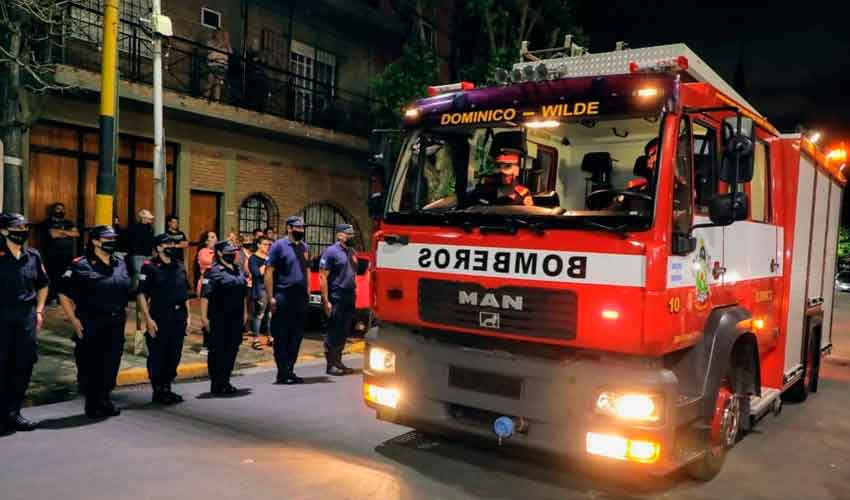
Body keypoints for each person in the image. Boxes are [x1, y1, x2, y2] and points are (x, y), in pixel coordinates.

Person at [58, 225, 131, 419]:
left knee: (111, 361)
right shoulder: (80, 264)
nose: (112, 242)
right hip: (91, 320)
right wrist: (73, 320)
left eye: (114, 238)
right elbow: (63, 293)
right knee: (91, 362)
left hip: (116, 321)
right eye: (107, 238)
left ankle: (105, 398)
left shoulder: (120, 262)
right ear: (96, 241)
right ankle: (92, 403)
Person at [0, 213, 49, 434]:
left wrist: (38, 310)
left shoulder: (33, 256)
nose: (22, 230)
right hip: (2, 317)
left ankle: (14, 413)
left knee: (24, 364)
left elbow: (43, 284)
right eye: (16, 227)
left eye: (24, 226)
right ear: (3, 231)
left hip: (26, 317)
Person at [137, 234, 190, 405]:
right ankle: (158, 390)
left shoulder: (180, 266)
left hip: (179, 315)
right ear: (159, 247)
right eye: (168, 243)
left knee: (174, 353)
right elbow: (141, 294)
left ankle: (167, 387)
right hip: (160, 314)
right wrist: (147, 319)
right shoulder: (149, 267)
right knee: (158, 353)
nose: (172, 246)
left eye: (174, 243)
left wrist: (188, 316)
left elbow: (185, 293)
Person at [265, 216, 310, 384]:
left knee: (296, 336)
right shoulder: (278, 246)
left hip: (300, 298)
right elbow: (268, 272)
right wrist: (271, 298)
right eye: (298, 228)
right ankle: (282, 371)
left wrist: (307, 292)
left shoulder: (305, 247)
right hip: (283, 296)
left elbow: (306, 271)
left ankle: (290, 369)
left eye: (302, 228)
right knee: (282, 335)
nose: (301, 231)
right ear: (289, 228)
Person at [199, 240, 247, 395]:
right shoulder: (212, 271)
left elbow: (243, 294)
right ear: (220, 253)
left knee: (232, 349)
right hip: (219, 317)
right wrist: (204, 318)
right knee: (217, 351)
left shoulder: (238, 270)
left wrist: (245, 313)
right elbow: (205, 296)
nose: (233, 254)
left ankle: (225, 381)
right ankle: (216, 383)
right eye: (229, 251)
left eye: (234, 251)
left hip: (236, 317)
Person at [319, 223, 357, 376]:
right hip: (336, 295)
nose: (351, 236)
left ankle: (338, 361)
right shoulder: (331, 252)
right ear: (340, 235)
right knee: (333, 330)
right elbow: (323, 276)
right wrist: (325, 300)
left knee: (344, 330)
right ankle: (331, 364)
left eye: (352, 234)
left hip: (349, 295)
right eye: (348, 234)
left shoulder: (352, 252)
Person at [42, 202, 79, 305]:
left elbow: (76, 233)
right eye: (58, 209)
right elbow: (53, 234)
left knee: (66, 276)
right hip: (52, 255)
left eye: (62, 209)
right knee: (53, 276)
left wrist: (61, 232)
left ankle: (62, 299)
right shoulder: (47, 222)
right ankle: (52, 298)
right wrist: (67, 233)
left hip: (67, 255)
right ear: (53, 210)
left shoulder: (69, 222)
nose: (61, 211)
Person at [127, 209, 155, 337]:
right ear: (142, 218)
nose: (150, 220)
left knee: (146, 276)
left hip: (147, 255)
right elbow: (131, 241)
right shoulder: (135, 228)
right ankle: (138, 295)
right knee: (138, 276)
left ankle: (144, 295)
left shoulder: (150, 228)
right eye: (148, 218)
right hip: (138, 254)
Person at [194, 231, 217, 356]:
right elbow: (211, 263)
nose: (215, 239)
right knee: (206, 315)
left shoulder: (218, 252)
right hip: (206, 285)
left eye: (215, 236)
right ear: (206, 241)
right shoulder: (204, 252)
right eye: (212, 237)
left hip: (217, 286)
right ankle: (206, 344)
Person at [249, 236, 271, 350]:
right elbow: (256, 273)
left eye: (268, 245)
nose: (267, 247)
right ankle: (256, 339)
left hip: (270, 288)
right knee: (259, 314)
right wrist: (266, 263)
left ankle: (270, 336)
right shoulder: (253, 258)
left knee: (270, 314)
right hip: (260, 288)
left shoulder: (269, 257)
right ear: (258, 245)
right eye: (264, 244)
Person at [206, 28, 232, 102]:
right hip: (212, 64)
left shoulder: (226, 44)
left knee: (218, 83)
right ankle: (205, 98)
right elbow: (210, 50)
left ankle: (216, 101)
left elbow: (230, 53)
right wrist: (222, 43)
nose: (219, 35)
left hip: (222, 66)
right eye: (218, 33)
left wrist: (227, 42)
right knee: (210, 81)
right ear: (215, 34)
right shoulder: (210, 42)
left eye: (221, 34)